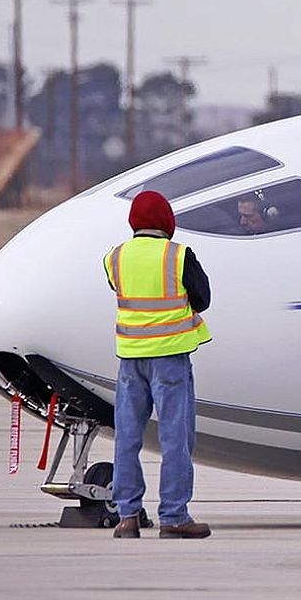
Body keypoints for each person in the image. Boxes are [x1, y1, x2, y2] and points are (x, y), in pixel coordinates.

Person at [104, 190, 213, 539]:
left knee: (127, 438)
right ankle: (174, 517)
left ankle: (127, 517)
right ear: (167, 222)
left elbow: (117, 289)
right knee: (175, 438)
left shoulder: (115, 257)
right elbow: (203, 298)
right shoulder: (178, 255)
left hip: (130, 360)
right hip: (169, 358)